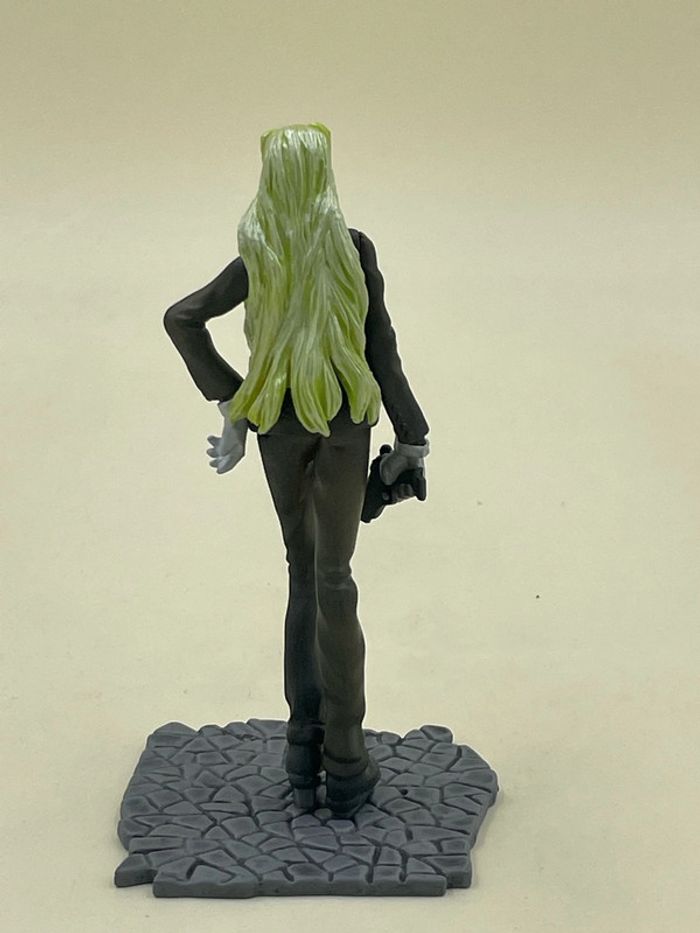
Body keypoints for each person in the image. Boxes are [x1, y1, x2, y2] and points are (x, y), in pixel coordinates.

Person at [163, 123, 429, 818]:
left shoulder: (258, 255)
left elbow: (182, 318)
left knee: (302, 575)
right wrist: (412, 437)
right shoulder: (353, 249)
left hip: (279, 424)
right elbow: (382, 349)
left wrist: (235, 403)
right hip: (343, 420)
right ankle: (346, 759)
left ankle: (301, 749)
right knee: (334, 577)